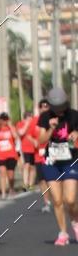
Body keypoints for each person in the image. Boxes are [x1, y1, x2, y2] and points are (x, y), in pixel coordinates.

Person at [37, 87, 78, 246]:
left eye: (62, 106)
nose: (60, 110)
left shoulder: (74, 115)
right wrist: (51, 128)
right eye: (57, 107)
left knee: (70, 199)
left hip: (70, 161)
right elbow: (41, 139)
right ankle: (63, 233)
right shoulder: (45, 117)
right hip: (51, 162)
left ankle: (75, 220)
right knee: (57, 200)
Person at [0, 113, 19, 198]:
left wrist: (11, 126)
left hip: (11, 155)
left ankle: (11, 188)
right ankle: (3, 193)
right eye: (2, 119)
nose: (4, 121)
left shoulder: (11, 128)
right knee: (2, 173)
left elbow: (16, 136)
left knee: (10, 175)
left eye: (6, 119)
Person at [33, 99, 52, 212]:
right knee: (42, 181)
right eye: (42, 106)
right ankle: (47, 202)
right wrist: (34, 141)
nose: (44, 108)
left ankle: (57, 200)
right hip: (38, 156)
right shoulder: (34, 121)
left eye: (46, 106)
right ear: (39, 108)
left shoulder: (53, 120)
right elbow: (28, 134)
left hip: (52, 155)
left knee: (53, 180)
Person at [16, 110, 37, 190]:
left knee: (33, 166)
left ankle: (31, 184)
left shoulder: (34, 124)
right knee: (26, 165)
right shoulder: (20, 124)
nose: (31, 119)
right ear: (26, 118)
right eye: (29, 117)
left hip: (34, 147)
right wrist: (27, 124)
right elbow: (21, 133)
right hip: (26, 148)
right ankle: (25, 183)